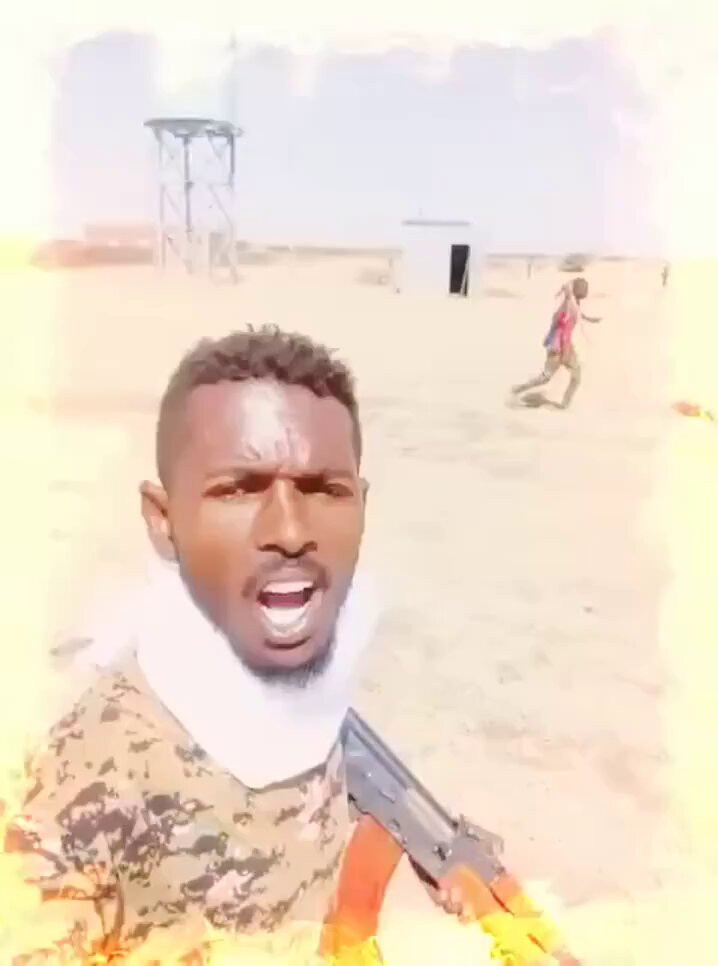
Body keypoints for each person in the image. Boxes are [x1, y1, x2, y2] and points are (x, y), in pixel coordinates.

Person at [4, 326, 464, 964]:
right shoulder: (80, 784)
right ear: (163, 520)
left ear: (361, 506)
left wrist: (437, 851)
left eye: (323, 490)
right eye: (240, 490)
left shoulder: (306, 701)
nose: (291, 531)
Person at [510, 276, 601, 410]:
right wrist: (565, 352)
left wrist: (590, 319)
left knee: (574, 375)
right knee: (547, 377)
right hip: (559, 346)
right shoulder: (569, 304)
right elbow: (564, 330)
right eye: (584, 288)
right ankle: (518, 390)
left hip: (562, 344)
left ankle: (564, 404)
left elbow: (577, 313)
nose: (586, 290)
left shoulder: (572, 302)